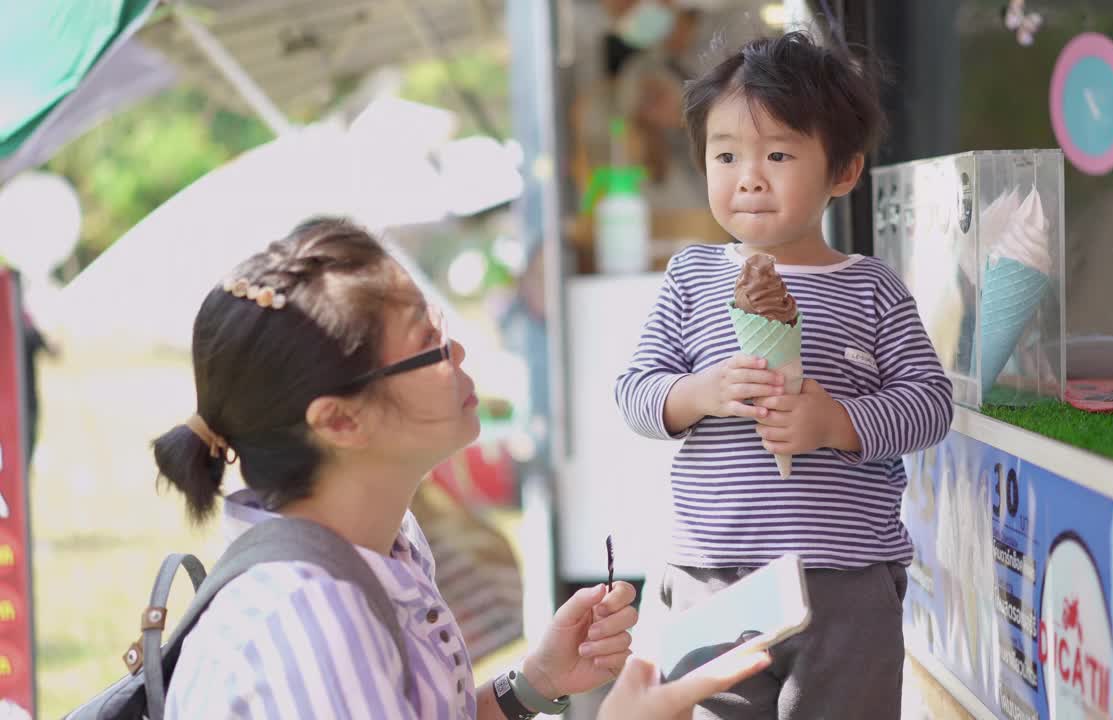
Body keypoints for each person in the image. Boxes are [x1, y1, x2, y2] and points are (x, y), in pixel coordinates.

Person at [154, 217, 769, 719]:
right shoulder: (307, 619)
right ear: (340, 421)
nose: (458, 352)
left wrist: (531, 684)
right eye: (429, 346)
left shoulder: (384, 544)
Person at [614, 32, 955, 719]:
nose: (749, 177)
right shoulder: (692, 277)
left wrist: (838, 422)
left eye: (777, 155)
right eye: (726, 155)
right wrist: (700, 393)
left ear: (844, 171)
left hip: (844, 583)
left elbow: (929, 404)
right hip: (712, 577)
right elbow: (637, 393)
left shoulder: (871, 288)